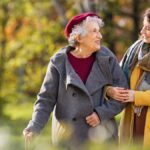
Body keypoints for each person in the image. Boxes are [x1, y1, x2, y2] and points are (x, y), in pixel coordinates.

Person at [23, 12, 128, 148]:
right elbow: (46, 99)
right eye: (94, 31)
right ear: (79, 37)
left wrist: (101, 113)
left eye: (99, 31)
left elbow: (123, 94)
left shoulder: (106, 58)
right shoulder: (59, 62)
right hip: (69, 138)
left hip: (101, 137)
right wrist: (34, 127)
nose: (100, 36)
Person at [106, 8, 150, 146]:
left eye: (148, 28)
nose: (142, 31)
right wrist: (109, 90)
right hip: (132, 122)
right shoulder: (135, 52)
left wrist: (136, 97)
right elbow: (115, 79)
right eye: (143, 26)